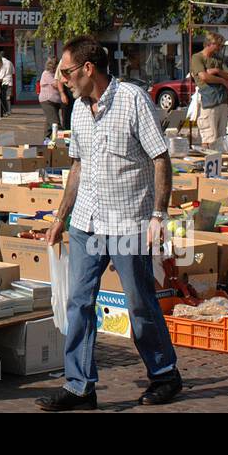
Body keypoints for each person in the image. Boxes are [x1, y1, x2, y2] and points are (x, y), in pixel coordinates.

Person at [38, 35, 182, 411]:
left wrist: (158, 215)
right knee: (79, 301)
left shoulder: (134, 100)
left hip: (127, 221)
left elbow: (160, 159)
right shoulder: (79, 110)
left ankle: (165, 374)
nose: (62, 80)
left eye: (67, 72)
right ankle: (80, 386)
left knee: (138, 302)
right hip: (87, 220)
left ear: (88, 69)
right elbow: (78, 166)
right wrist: (60, 217)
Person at [190, 32, 228, 148]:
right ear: (210, 44)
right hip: (208, 101)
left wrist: (217, 71)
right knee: (209, 136)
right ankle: (207, 162)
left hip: (221, 100)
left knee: (221, 137)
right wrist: (222, 81)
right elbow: (204, 76)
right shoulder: (197, 57)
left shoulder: (217, 59)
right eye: (218, 45)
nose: (220, 48)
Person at [39, 56, 66, 139]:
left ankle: (46, 141)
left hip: (56, 101)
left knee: (49, 123)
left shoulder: (56, 74)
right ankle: (67, 141)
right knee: (55, 123)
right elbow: (55, 84)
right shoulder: (46, 73)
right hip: (48, 101)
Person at [0, 51, 15, 116]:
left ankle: (3, 111)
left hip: (1, 81)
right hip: (9, 81)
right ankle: (8, 111)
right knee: (8, 97)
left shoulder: (0, 62)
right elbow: (13, 72)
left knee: (1, 96)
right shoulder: (9, 62)